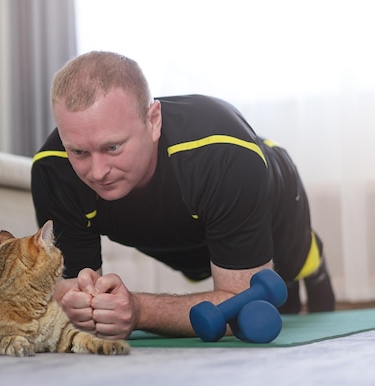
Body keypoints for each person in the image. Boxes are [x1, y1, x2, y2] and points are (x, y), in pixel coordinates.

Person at [30, 51, 336, 340]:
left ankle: (313, 263)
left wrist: (138, 310)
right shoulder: (52, 170)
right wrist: (84, 307)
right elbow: (71, 291)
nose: (96, 172)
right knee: (199, 266)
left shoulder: (225, 156)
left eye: (112, 148)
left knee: (288, 272)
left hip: (272, 192)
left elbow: (238, 302)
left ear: (153, 121)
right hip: (184, 232)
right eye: (79, 151)